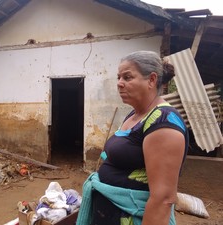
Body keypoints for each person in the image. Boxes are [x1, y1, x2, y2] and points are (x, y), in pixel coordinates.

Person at [76, 51, 189, 225]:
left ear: (151, 80)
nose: (119, 83)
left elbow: (163, 199)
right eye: (118, 77)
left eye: (127, 77)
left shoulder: (163, 123)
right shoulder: (134, 115)